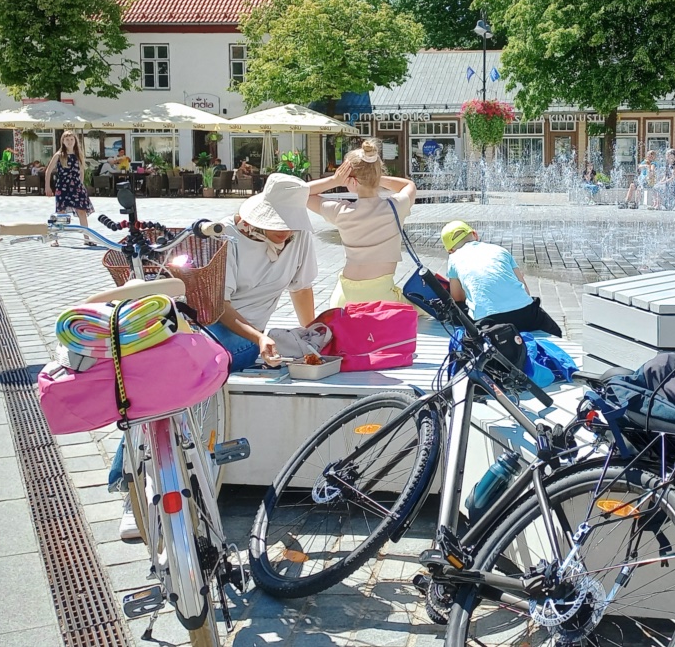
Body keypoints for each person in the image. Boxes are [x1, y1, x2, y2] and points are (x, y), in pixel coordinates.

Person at [109, 174, 319, 540]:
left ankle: (136, 481)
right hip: (218, 324)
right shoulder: (227, 239)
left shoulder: (300, 239)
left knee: (176, 376)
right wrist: (258, 336)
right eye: (277, 223)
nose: (284, 230)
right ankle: (132, 485)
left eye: (289, 223)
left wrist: (314, 334)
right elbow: (217, 306)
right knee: (174, 375)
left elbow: (302, 288)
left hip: (248, 337)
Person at [308, 139, 418, 308]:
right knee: (423, 307)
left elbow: (301, 194)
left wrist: (334, 181)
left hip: (344, 299)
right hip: (381, 297)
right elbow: (409, 185)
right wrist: (375, 178)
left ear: (351, 181)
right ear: (378, 174)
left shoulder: (341, 211)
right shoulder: (396, 206)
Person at [440, 220, 562, 336]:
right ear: (475, 234)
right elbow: (525, 290)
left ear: (450, 250)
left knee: (457, 309)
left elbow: (457, 298)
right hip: (526, 314)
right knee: (548, 324)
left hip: (490, 321)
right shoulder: (500, 250)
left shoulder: (454, 259)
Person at [44, 131, 94, 246]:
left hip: (76, 186)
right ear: (63, 141)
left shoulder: (78, 154)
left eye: (72, 139)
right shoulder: (59, 155)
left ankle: (86, 238)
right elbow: (48, 171)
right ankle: (55, 239)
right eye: (67, 140)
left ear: (75, 141)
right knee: (60, 212)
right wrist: (47, 186)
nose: (70, 142)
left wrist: (80, 185)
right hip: (63, 186)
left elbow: (81, 171)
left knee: (82, 211)